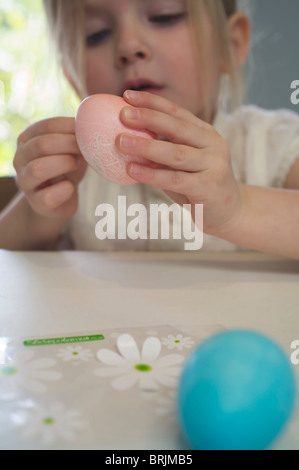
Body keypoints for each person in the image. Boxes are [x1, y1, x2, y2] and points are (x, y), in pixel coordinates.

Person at [1, 0, 299, 259]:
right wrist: (39, 211)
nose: (129, 46)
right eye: (97, 34)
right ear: (73, 76)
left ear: (230, 45)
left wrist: (239, 210)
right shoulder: (77, 172)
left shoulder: (273, 143)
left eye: (164, 16)